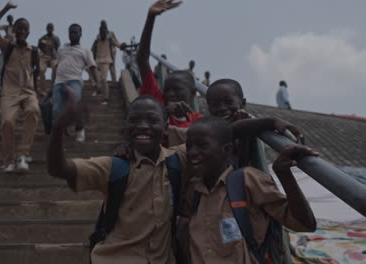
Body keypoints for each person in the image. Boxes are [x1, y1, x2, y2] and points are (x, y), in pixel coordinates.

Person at [48, 92, 189, 264]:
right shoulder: (114, 166)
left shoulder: (177, 159)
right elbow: (58, 169)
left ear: (167, 127)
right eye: (135, 120)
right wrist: (58, 127)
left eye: (152, 120)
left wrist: (166, 109)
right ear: (125, 126)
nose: (143, 126)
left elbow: (216, 134)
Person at [181, 116, 317, 264]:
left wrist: (284, 175)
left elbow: (305, 223)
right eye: (189, 146)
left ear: (227, 149)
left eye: (202, 145)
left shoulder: (247, 181)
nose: (192, 152)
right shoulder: (193, 191)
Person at [0, 2, 40, 173]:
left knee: (33, 111)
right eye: (19, 29)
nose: (21, 32)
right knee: (8, 123)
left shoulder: (34, 52)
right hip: (9, 94)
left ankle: (23, 154)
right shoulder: (7, 47)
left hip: (28, 92)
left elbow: (36, 73)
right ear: (14, 31)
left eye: (25, 30)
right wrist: (6, 9)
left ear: (28, 33)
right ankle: (9, 161)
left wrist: (37, 92)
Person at [137, 0, 201, 129]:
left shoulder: (198, 121)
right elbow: (142, 60)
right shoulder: (158, 103)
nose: (170, 94)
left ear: (193, 93)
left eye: (176, 89)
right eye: (167, 90)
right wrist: (151, 17)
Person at [53, 23, 99, 142]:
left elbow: (92, 66)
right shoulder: (61, 49)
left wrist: (98, 82)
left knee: (75, 104)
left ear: (80, 34)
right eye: (71, 32)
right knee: (57, 110)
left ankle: (80, 128)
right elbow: (57, 65)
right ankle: (61, 132)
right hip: (59, 83)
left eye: (75, 32)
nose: (73, 34)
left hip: (74, 81)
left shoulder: (85, 50)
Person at [91, 25, 123, 105]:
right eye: (101, 32)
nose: (102, 34)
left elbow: (117, 43)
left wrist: (123, 46)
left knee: (104, 79)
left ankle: (105, 98)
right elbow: (91, 50)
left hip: (106, 61)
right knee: (89, 69)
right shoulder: (97, 40)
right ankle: (97, 88)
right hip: (97, 60)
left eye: (104, 32)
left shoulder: (110, 38)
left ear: (106, 32)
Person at [38, 23, 61, 99]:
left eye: (51, 28)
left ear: (53, 29)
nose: (50, 29)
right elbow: (39, 47)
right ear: (46, 29)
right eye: (48, 28)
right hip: (44, 57)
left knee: (55, 68)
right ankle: (42, 90)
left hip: (53, 57)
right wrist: (42, 52)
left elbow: (59, 48)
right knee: (41, 70)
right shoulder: (42, 39)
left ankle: (53, 88)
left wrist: (53, 49)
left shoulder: (56, 38)